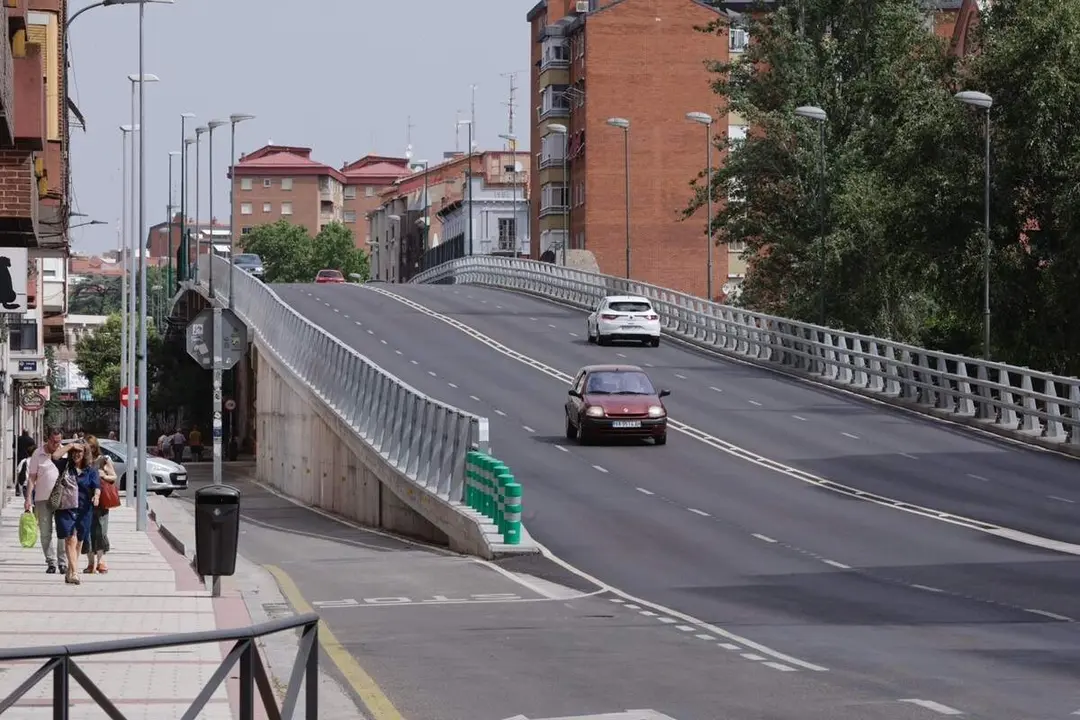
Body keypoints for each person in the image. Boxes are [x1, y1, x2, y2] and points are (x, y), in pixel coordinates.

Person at [51, 439, 100, 585]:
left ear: (85, 453)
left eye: (80, 451)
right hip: (66, 508)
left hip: (84, 509)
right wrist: (71, 445)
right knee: (70, 539)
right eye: (74, 452)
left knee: (79, 541)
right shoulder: (66, 466)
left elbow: (96, 486)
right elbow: (55, 456)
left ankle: (70, 572)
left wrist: (96, 496)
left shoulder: (91, 469)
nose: (76, 454)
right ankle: (75, 572)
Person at [25, 429, 66, 575]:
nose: (56, 444)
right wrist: (28, 498)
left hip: (61, 498)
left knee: (63, 531)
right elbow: (32, 477)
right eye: (54, 441)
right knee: (45, 532)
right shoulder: (38, 453)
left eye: (59, 441)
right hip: (42, 498)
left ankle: (63, 562)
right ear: (47, 440)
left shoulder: (64, 452)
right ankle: (51, 562)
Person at [83, 436, 116, 574]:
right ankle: (91, 562)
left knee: (101, 531)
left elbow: (113, 477)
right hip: (85, 499)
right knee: (87, 531)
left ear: (95, 447)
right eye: (87, 447)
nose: (89, 450)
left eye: (92, 447)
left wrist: (103, 475)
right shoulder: (82, 460)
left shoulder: (103, 460)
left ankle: (101, 561)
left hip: (101, 500)